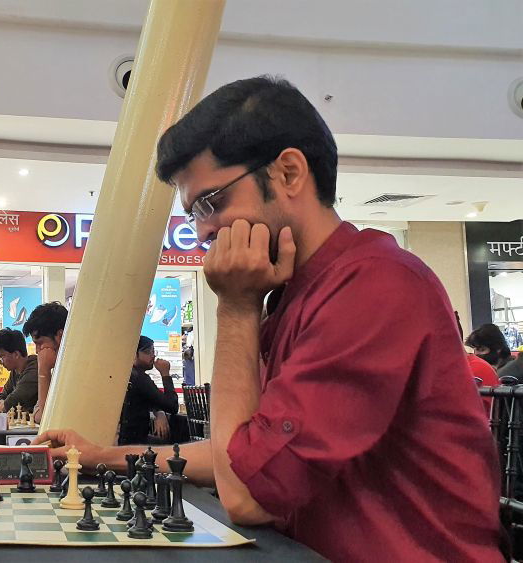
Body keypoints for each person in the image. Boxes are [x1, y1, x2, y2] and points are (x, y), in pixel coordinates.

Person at [38, 76, 501, 561]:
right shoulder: (292, 293)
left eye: (211, 202)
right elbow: (243, 453)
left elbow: (248, 492)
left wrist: (235, 307)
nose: (202, 233)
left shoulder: (374, 283)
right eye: (193, 214)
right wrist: (99, 456)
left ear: (289, 173)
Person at [118, 336, 178, 445]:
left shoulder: (128, 374)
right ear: (134, 354)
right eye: (147, 352)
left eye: (153, 351)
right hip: (134, 443)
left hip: (124, 440)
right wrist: (165, 374)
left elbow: (150, 398)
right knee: (172, 443)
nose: (153, 355)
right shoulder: (140, 378)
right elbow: (172, 406)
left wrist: (159, 412)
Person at [21, 302, 68, 423]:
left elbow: (46, 418)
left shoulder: (75, 371)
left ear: (60, 336)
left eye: (40, 343)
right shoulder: (57, 371)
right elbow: (38, 415)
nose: (37, 350)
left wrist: (43, 372)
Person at [0, 328, 38, 412]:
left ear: (16, 354)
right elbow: (1, 398)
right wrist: (5, 404)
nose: (0, 362)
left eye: (2, 356)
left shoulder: (35, 368)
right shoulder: (14, 372)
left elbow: (16, 398)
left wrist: (6, 405)